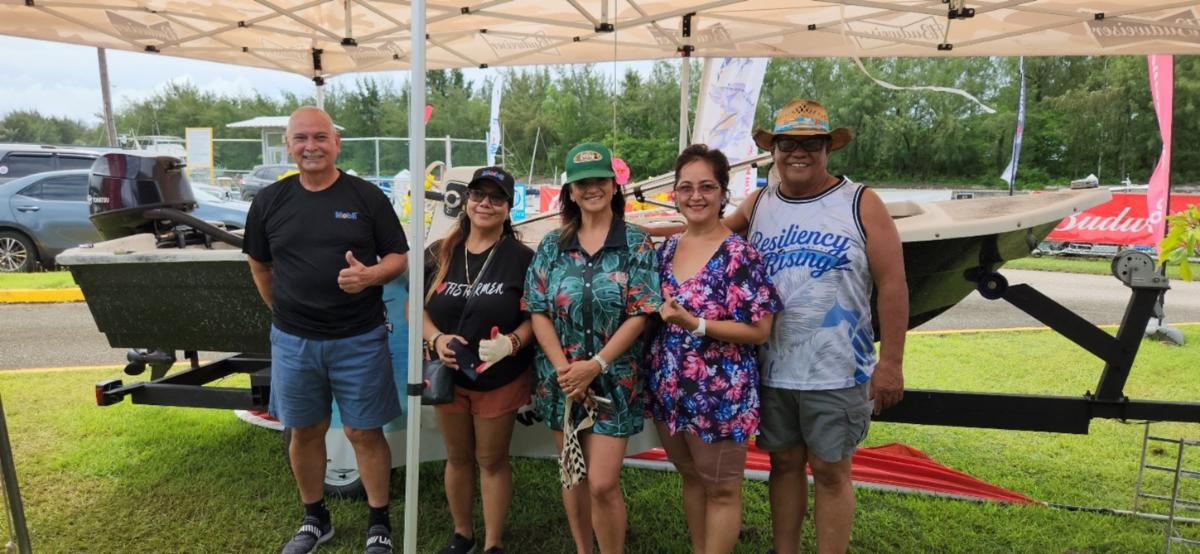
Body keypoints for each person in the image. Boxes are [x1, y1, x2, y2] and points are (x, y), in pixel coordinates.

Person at [722, 99, 908, 554]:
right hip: (773, 368)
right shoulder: (760, 202)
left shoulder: (861, 202)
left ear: (828, 148)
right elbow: (709, 238)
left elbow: (893, 284)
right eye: (787, 143)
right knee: (783, 464)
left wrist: (891, 364)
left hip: (838, 369)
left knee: (830, 471)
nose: (798, 153)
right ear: (773, 151)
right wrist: (640, 237)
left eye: (811, 143)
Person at [243, 106, 409, 554]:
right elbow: (260, 265)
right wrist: (283, 312)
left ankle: (379, 523)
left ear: (336, 143)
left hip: (359, 339)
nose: (311, 146)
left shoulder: (366, 197)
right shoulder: (269, 202)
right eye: (301, 138)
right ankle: (315, 519)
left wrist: (370, 276)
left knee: (364, 432)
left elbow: (398, 257)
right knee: (304, 431)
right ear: (288, 145)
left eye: (320, 137)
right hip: (294, 342)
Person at [522, 142, 663, 554]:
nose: (591, 189)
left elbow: (641, 312)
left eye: (599, 180)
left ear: (614, 185)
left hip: (614, 379)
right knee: (573, 474)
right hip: (561, 381)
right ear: (570, 191)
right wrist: (566, 371)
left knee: (602, 482)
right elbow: (537, 308)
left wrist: (595, 365)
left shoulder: (636, 243)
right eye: (582, 183)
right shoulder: (552, 244)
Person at [646, 144, 783, 554]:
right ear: (675, 193)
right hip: (671, 390)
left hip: (719, 393)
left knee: (722, 488)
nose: (696, 196)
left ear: (723, 192)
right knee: (691, 478)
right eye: (686, 187)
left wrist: (697, 324)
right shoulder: (668, 249)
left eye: (706, 186)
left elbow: (760, 330)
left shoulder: (739, 254)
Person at [422, 167, 535, 554]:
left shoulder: (522, 258)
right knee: (457, 458)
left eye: (496, 197)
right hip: (448, 376)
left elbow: (537, 318)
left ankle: (492, 543)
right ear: (467, 201)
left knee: (491, 460)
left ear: (508, 207)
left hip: (499, 377)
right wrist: (435, 338)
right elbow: (415, 308)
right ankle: (462, 534)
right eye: (478, 195)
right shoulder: (440, 251)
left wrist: (512, 343)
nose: (485, 203)